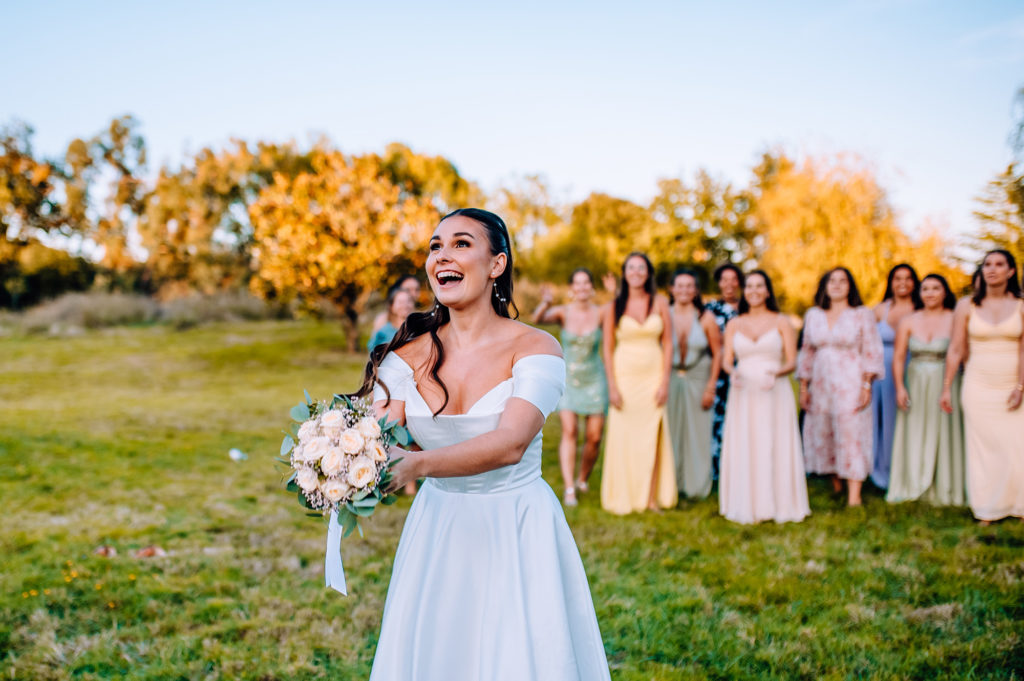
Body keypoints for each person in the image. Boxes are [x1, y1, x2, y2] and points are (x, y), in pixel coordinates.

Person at [360, 208, 611, 680]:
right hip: (439, 525)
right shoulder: (405, 357)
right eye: (435, 246)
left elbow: (510, 443)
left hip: (517, 521)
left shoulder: (536, 347)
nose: (442, 256)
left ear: (496, 264)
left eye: (460, 243)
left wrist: (414, 466)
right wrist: (340, 459)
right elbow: (375, 438)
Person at [941, 249, 1024, 524]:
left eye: (999, 264)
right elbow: (955, 349)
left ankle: (1019, 505)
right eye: (987, 264)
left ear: (1011, 271)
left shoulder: (1021, 305)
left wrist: (1020, 386)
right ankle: (987, 507)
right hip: (977, 384)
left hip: (1012, 384)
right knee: (983, 449)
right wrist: (946, 387)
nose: (992, 269)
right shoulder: (966, 305)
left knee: (1017, 446)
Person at [719, 270, 809, 524]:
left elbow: (792, 361)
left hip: (774, 390)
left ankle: (777, 503)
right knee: (746, 442)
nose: (754, 291)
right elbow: (727, 360)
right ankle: (746, 501)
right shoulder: (734, 324)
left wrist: (777, 372)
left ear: (768, 291)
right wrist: (732, 373)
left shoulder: (782, 322)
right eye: (749, 286)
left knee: (773, 442)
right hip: (743, 391)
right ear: (744, 291)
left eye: (760, 286)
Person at [797, 267, 884, 507]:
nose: (836, 285)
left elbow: (871, 349)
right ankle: (835, 484)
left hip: (850, 380)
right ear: (824, 286)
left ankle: (854, 495)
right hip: (821, 381)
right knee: (824, 430)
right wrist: (804, 387)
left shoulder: (861, 314)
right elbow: (806, 351)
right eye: (831, 281)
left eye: (842, 281)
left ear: (850, 286)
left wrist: (866, 384)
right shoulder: (813, 315)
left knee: (851, 432)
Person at [600, 252, 677, 514]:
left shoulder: (661, 303)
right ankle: (626, 493)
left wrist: (665, 381)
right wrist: (612, 385)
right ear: (625, 273)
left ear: (648, 273)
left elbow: (668, 344)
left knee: (653, 434)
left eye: (641, 268)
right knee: (625, 437)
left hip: (653, 375)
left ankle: (651, 498)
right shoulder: (614, 306)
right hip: (625, 377)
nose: (636, 272)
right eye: (631, 268)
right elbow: (607, 348)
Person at [532, 268, 609, 506]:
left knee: (595, 437)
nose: (582, 287)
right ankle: (569, 489)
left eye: (586, 283)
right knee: (570, 431)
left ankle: (583, 477)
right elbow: (537, 319)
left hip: (595, 379)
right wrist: (545, 303)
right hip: (569, 380)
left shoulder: (602, 313)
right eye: (577, 283)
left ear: (592, 287)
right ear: (571, 288)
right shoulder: (563, 312)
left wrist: (616, 293)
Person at [887, 274, 964, 505]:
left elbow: (961, 352)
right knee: (916, 428)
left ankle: (945, 487)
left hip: (946, 380)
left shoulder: (955, 319)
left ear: (945, 292)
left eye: (935, 288)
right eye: (925, 289)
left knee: (944, 429)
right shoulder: (909, 321)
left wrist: (948, 386)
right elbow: (899, 357)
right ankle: (911, 482)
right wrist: (900, 387)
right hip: (916, 381)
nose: (930, 293)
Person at [666, 269, 721, 499]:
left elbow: (718, 354)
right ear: (672, 289)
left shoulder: (706, 318)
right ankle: (671, 485)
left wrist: (710, 387)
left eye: (690, 286)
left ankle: (696, 486)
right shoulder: (663, 315)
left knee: (697, 433)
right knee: (670, 432)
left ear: (696, 290)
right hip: (669, 379)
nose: (684, 290)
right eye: (680, 285)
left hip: (699, 379)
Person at [871, 264, 922, 489]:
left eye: (908, 278)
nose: (902, 283)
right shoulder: (880, 310)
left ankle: (911, 468)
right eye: (897, 278)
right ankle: (882, 470)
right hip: (881, 374)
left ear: (914, 282)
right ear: (890, 282)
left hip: (912, 369)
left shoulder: (920, 309)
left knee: (911, 418)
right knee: (882, 421)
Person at [705, 263, 744, 478]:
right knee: (718, 421)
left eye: (733, 279)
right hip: (719, 373)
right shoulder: (710, 309)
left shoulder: (748, 308)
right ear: (719, 283)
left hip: (745, 369)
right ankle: (718, 470)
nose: (729, 284)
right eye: (724, 280)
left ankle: (741, 467)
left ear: (739, 282)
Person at [367, 287, 416, 352]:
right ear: (391, 306)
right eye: (401, 302)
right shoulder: (384, 331)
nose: (405, 305)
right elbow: (372, 351)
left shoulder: (419, 330)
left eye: (408, 301)